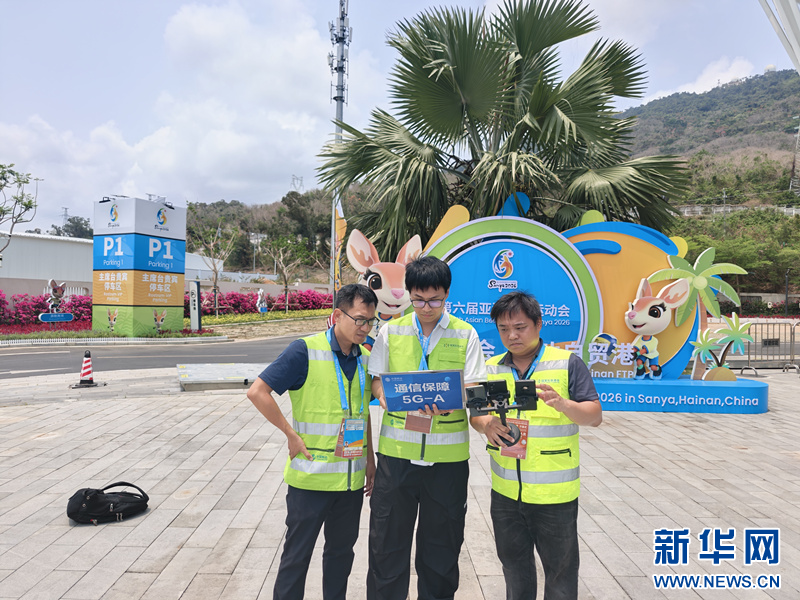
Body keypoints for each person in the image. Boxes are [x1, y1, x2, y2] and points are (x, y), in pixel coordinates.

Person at [247, 283, 379, 600]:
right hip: (311, 480)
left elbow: (361, 412)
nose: (365, 328)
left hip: (350, 483)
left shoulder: (366, 357)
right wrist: (289, 434)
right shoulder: (304, 350)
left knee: (341, 556)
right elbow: (257, 392)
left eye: (370, 321)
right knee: (297, 557)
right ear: (337, 315)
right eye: (359, 320)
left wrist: (370, 459)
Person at [366, 256, 487, 600]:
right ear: (409, 294)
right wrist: (386, 398)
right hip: (396, 458)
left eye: (435, 300)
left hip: (447, 464)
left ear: (447, 294)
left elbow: (476, 388)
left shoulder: (465, 333)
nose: (426, 308)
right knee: (387, 546)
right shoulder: (392, 331)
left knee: (441, 551)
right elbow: (377, 380)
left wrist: (455, 400)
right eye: (418, 300)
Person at [470, 291, 602, 600]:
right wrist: (487, 425)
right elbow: (475, 414)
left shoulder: (567, 363)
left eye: (520, 327)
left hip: (554, 495)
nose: (512, 336)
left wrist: (564, 404)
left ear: (539, 324)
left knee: (560, 574)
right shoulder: (490, 368)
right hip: (506, 494)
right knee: (514, 570)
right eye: (504, 329)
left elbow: (594, 416)